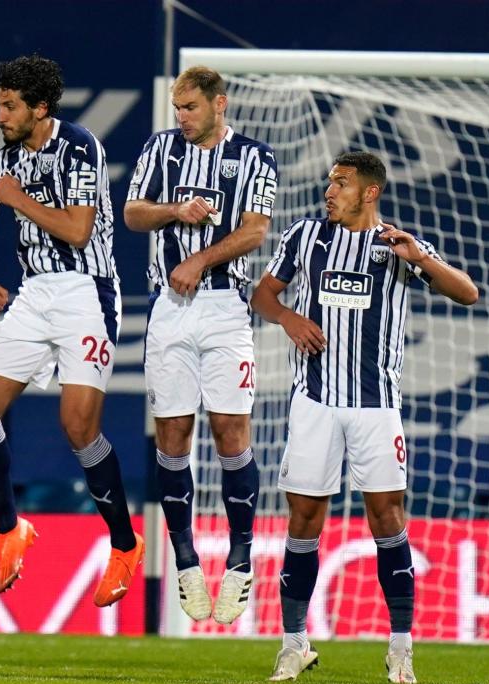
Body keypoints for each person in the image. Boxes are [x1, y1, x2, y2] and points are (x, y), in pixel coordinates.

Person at [252, 151, 478, 684]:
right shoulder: (305, 237)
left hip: (376, 406)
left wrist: (420, 258)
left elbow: (467, 292)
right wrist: (287, 317)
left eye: (342, 184)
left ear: (370, 192)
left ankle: (401, 649)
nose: (330, 191)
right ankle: (293, 644)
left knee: (386, 520)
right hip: (315, 402)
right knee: (303, 521)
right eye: (330, 182)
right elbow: (264, 294)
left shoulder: (397, 245)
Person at [0, 55, 141, 599]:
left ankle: (125, 545)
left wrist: (19, 199)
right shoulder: (1, 162)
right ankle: (11, 529)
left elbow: (79, 229)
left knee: (78, 426)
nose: (1, 113)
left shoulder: (79, 145)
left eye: (10, 105)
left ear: (40, 108)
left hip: (87, 292)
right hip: (35, 293)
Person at [124, 66, 278, 624]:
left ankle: (240, 558)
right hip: (168, 310)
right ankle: (185, 558)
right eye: (176, 108)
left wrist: (199, 257)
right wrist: (174, 211)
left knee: (231, 431)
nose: (181, 117)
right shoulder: (160, 149)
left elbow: (255, 231)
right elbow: (133, 213)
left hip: (224, 309)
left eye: (189, 107)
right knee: (172, 433)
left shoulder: (255, 158)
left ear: (219, 104)